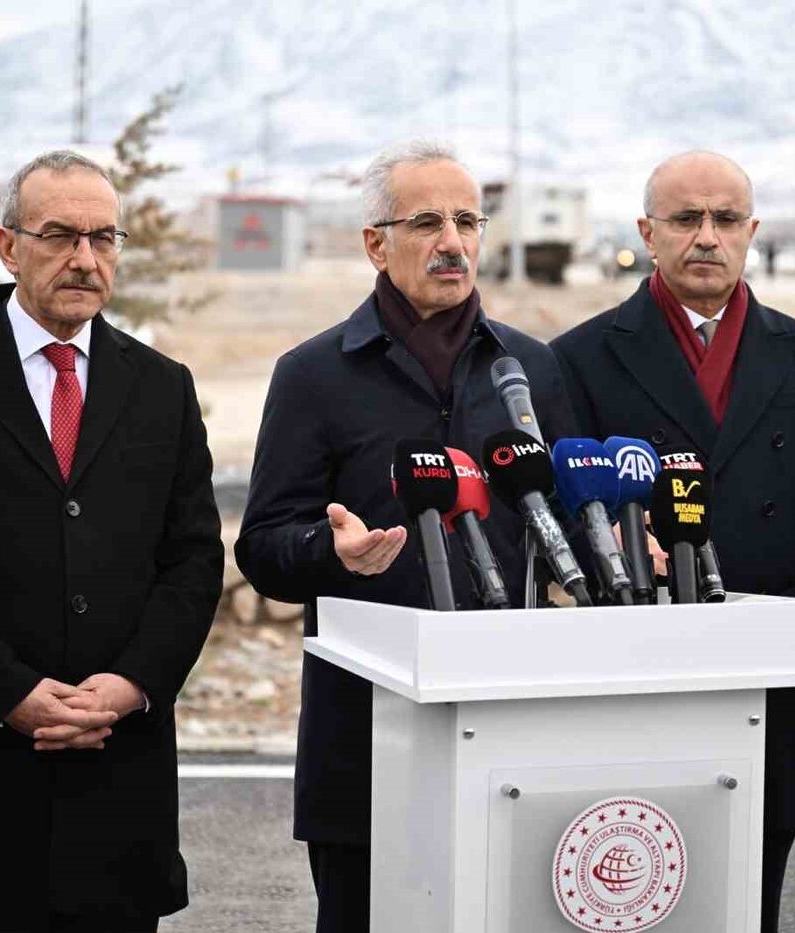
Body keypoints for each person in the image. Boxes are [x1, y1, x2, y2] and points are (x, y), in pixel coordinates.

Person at [236, 139, 577, 933]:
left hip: (511, 724)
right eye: (426, 222)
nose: (452, 241)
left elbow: (560, 516)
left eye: (467, 220)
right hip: (368, 734)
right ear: (374, 243)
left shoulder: (527, 370)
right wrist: (332, 553)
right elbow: (262, 546)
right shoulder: (314, 374)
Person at [0, 150, 224, 932]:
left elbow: (194, 558)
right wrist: (9, 692)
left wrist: (132, 682)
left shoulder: (162, 387)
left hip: (120, 778)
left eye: (104, 238)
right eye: (61, 235)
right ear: (7, 246)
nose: (85, 259)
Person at [551, 150, 795, 932]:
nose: (706, 237)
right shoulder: (582, 357)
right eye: (686, 218)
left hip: (769, 670)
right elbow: (560, 510)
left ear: (751, 231)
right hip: (636, 670)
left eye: (725, 219)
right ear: (647, 232)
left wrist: (792, 624)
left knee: (751, 889)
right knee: (625, 885)